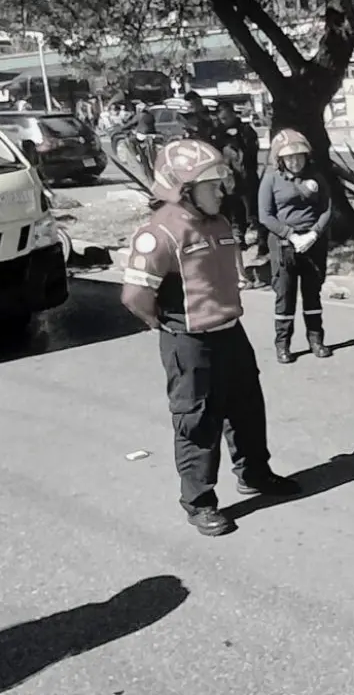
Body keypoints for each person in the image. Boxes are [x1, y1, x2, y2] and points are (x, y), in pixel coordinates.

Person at [120, 138, 300, 537]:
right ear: (182, 189)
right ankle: (199, 501)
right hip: (189, 342)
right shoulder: (159, 234)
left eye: (221, 183)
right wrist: (162, 324)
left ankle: (255, 473)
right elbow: (135, 297)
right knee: (197, 421)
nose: (221, 192)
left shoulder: (218, 223)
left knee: (247, 409)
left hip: (230, 333)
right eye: (212, 185)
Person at [258, 129, 334, 364]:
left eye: (299, 156)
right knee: (285, 296)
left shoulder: (316, 177)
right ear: (280, 159)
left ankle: (316, 340)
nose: (295, 161)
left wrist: (314, 233)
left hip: (313, 243)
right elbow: (265, 215)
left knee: (313, 294)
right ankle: (283, 344)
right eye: (289, 157)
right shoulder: (271, 179)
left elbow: (326, 209)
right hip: (284, 246)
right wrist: (290, 235)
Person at [215, 102, 268, 256]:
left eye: (227, 117)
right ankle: (239, 238)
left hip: (247, 177)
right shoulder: (219, 133)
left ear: (233, 114)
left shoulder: (246, 130)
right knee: (235, 211)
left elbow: (251, 151)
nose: (224, 121)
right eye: (222, 119)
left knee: (253, 210)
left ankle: (262, 239)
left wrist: (237, 138)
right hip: (229, 179)